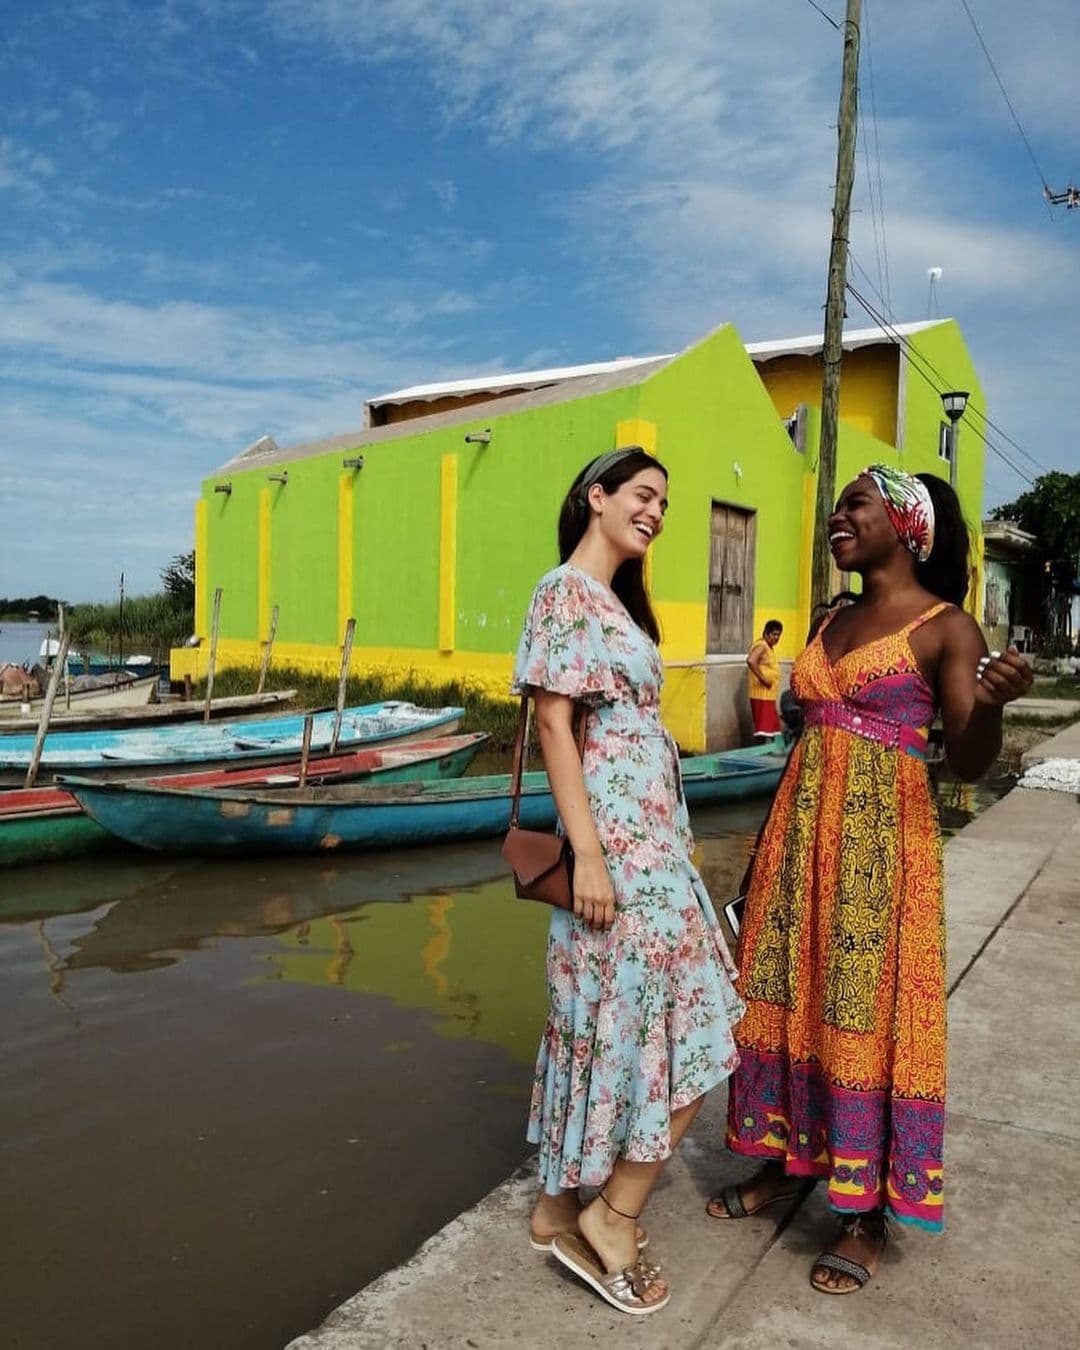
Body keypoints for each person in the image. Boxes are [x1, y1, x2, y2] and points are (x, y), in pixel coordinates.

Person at [708, 465, 1032, 1295]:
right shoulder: (831, 618)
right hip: (796, 839)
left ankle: (864, 1214)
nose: (836, 516)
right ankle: (786, 1162)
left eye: (857, 504)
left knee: (861, 1012)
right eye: (838, 505)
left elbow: (963, 757)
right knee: (783, 997)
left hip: (880, 854)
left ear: (907, 524)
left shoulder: (943, 627)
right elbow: (801, 734)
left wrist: (991, 705)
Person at [512, 446, 744, 1316]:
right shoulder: (564, 592)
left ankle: (554, 1205)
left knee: (609, 1028)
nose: (655, 512)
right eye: (643, 495)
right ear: (596, 497)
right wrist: (593, 856)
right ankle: (613, 1216)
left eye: (664, 503)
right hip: (621, 859)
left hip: (654, 853)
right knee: (701, 1026)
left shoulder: (611, 603)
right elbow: (555, 728)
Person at [746, 620, 783, 736]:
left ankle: (771, 751)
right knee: (763, 731)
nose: (776, 638)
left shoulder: (768, 647)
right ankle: (761, 752)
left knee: (771, 729)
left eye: (778, 635)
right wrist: (763, 679)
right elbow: (751, 661)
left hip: (768, 695)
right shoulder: (762, 646)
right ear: (765, 634)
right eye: (774, 634)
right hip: (761, 695)